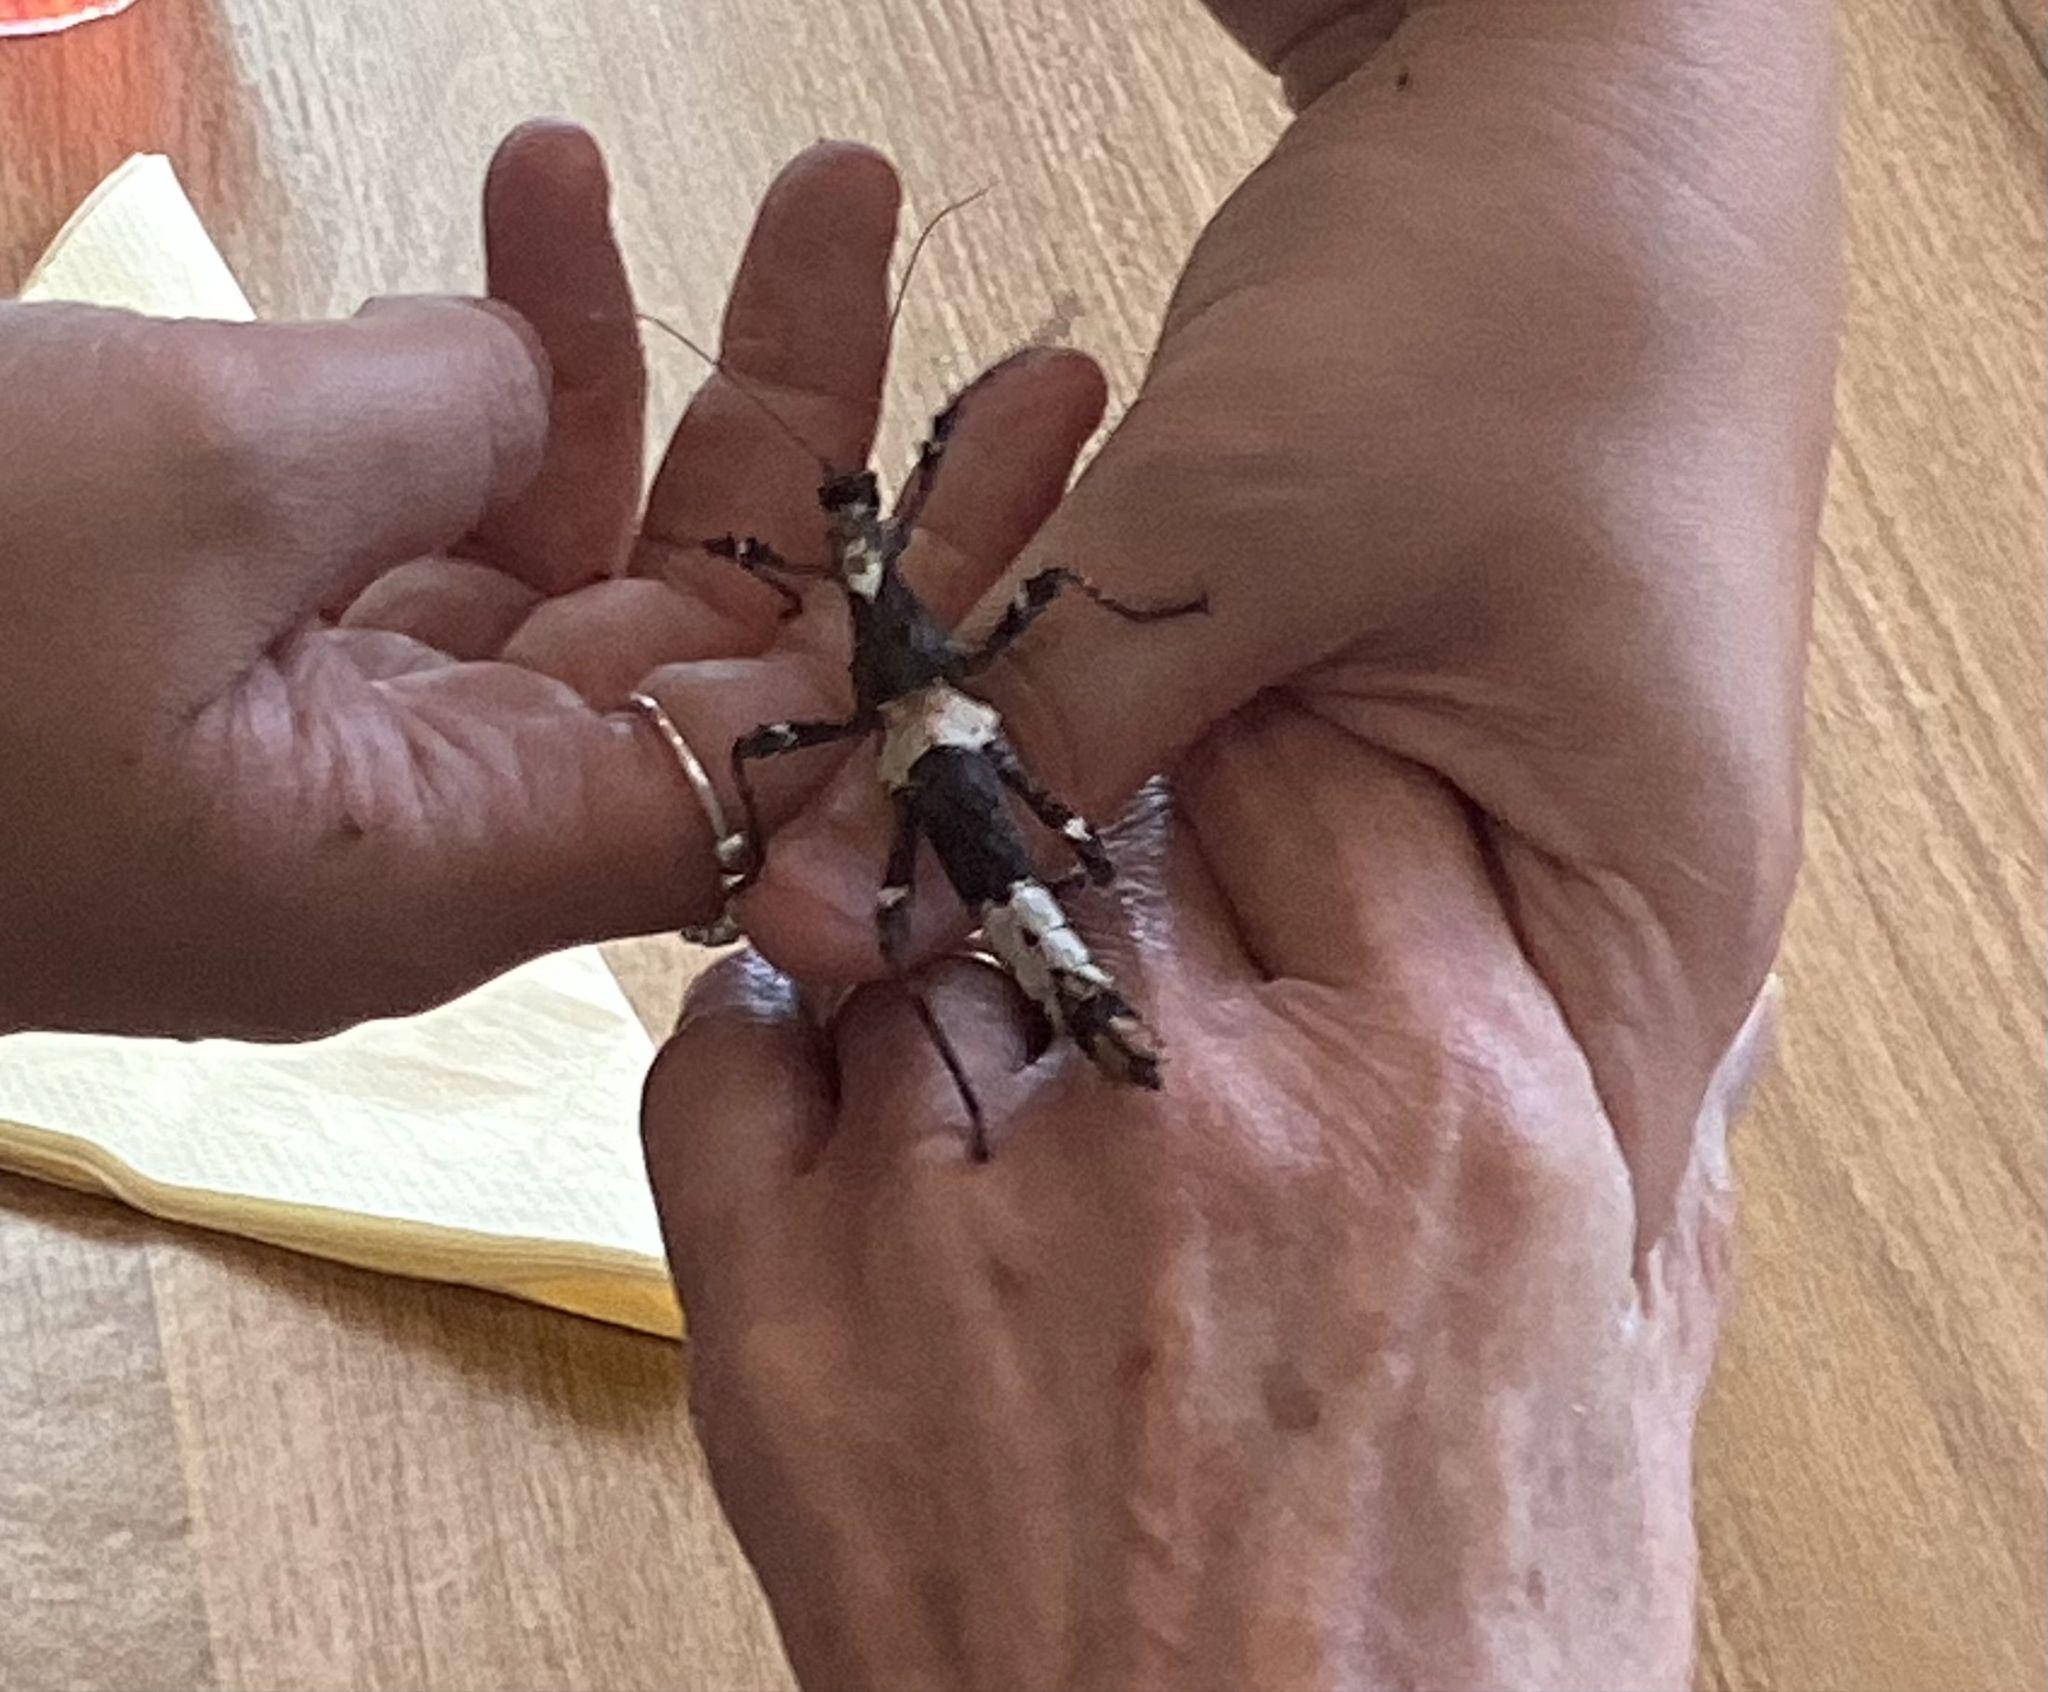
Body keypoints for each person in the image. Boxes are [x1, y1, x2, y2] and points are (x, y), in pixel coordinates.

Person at [1, 0, 1837, 1683]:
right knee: (929, 888)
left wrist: (1635, 113)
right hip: (943, 763)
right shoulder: (879, 639)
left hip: (942, 766)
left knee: (938, 879)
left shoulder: (871, 640)